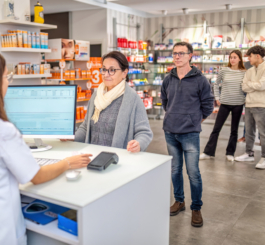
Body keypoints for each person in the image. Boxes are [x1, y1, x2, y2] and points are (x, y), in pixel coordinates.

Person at [0, 49, 92, 245]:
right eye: (6, 77)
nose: (8, 82)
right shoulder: (0, 131)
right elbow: (36, 177)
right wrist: (67, 163)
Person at [161, 42, 214, 227]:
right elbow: (165, 101)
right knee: (175, 170)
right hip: (170, 132)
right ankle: (179, 201)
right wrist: (172, 117)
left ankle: (196, 208)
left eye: (181, 53)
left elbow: (208, 104)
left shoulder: (200, 80)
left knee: (193, 173)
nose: (177, 57)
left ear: (190, 55)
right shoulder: (168, 79)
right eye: (175, 53)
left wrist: (195, 121)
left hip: (190, 133)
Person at [73, 51, 153, 152]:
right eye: (104, 69)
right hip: (92, 156)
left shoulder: (133, 100)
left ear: (124, 73)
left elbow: (144, 132)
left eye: (112, 70)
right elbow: (85, 128)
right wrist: (72, 138)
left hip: (118, 159)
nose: (106, 74)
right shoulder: (96, 96)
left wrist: (138, 144)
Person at [200, 50, 246, 162]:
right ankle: (208, 152)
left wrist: (245, 99)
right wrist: (217, 98)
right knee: (216, 128)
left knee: (234, 130)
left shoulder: (244, 72)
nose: (232, 59)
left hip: (238, 104)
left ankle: (230, 153)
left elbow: (246, 87)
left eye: (235, 57)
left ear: (240, 59)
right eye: (231, 57)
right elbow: (216, 85)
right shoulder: (224, 70)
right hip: (224, 103)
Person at [235, 46, 265, 169]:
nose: (248, 59)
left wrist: (251, 85)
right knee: (249, 131)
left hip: (262, 105)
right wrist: (254, 86)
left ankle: (264, 157)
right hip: (249, 104)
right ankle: (249, 153)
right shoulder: (249, 71)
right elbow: (244, 87)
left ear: (257, 56)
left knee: (263, 133)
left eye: (250, 56)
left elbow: (262, 85)